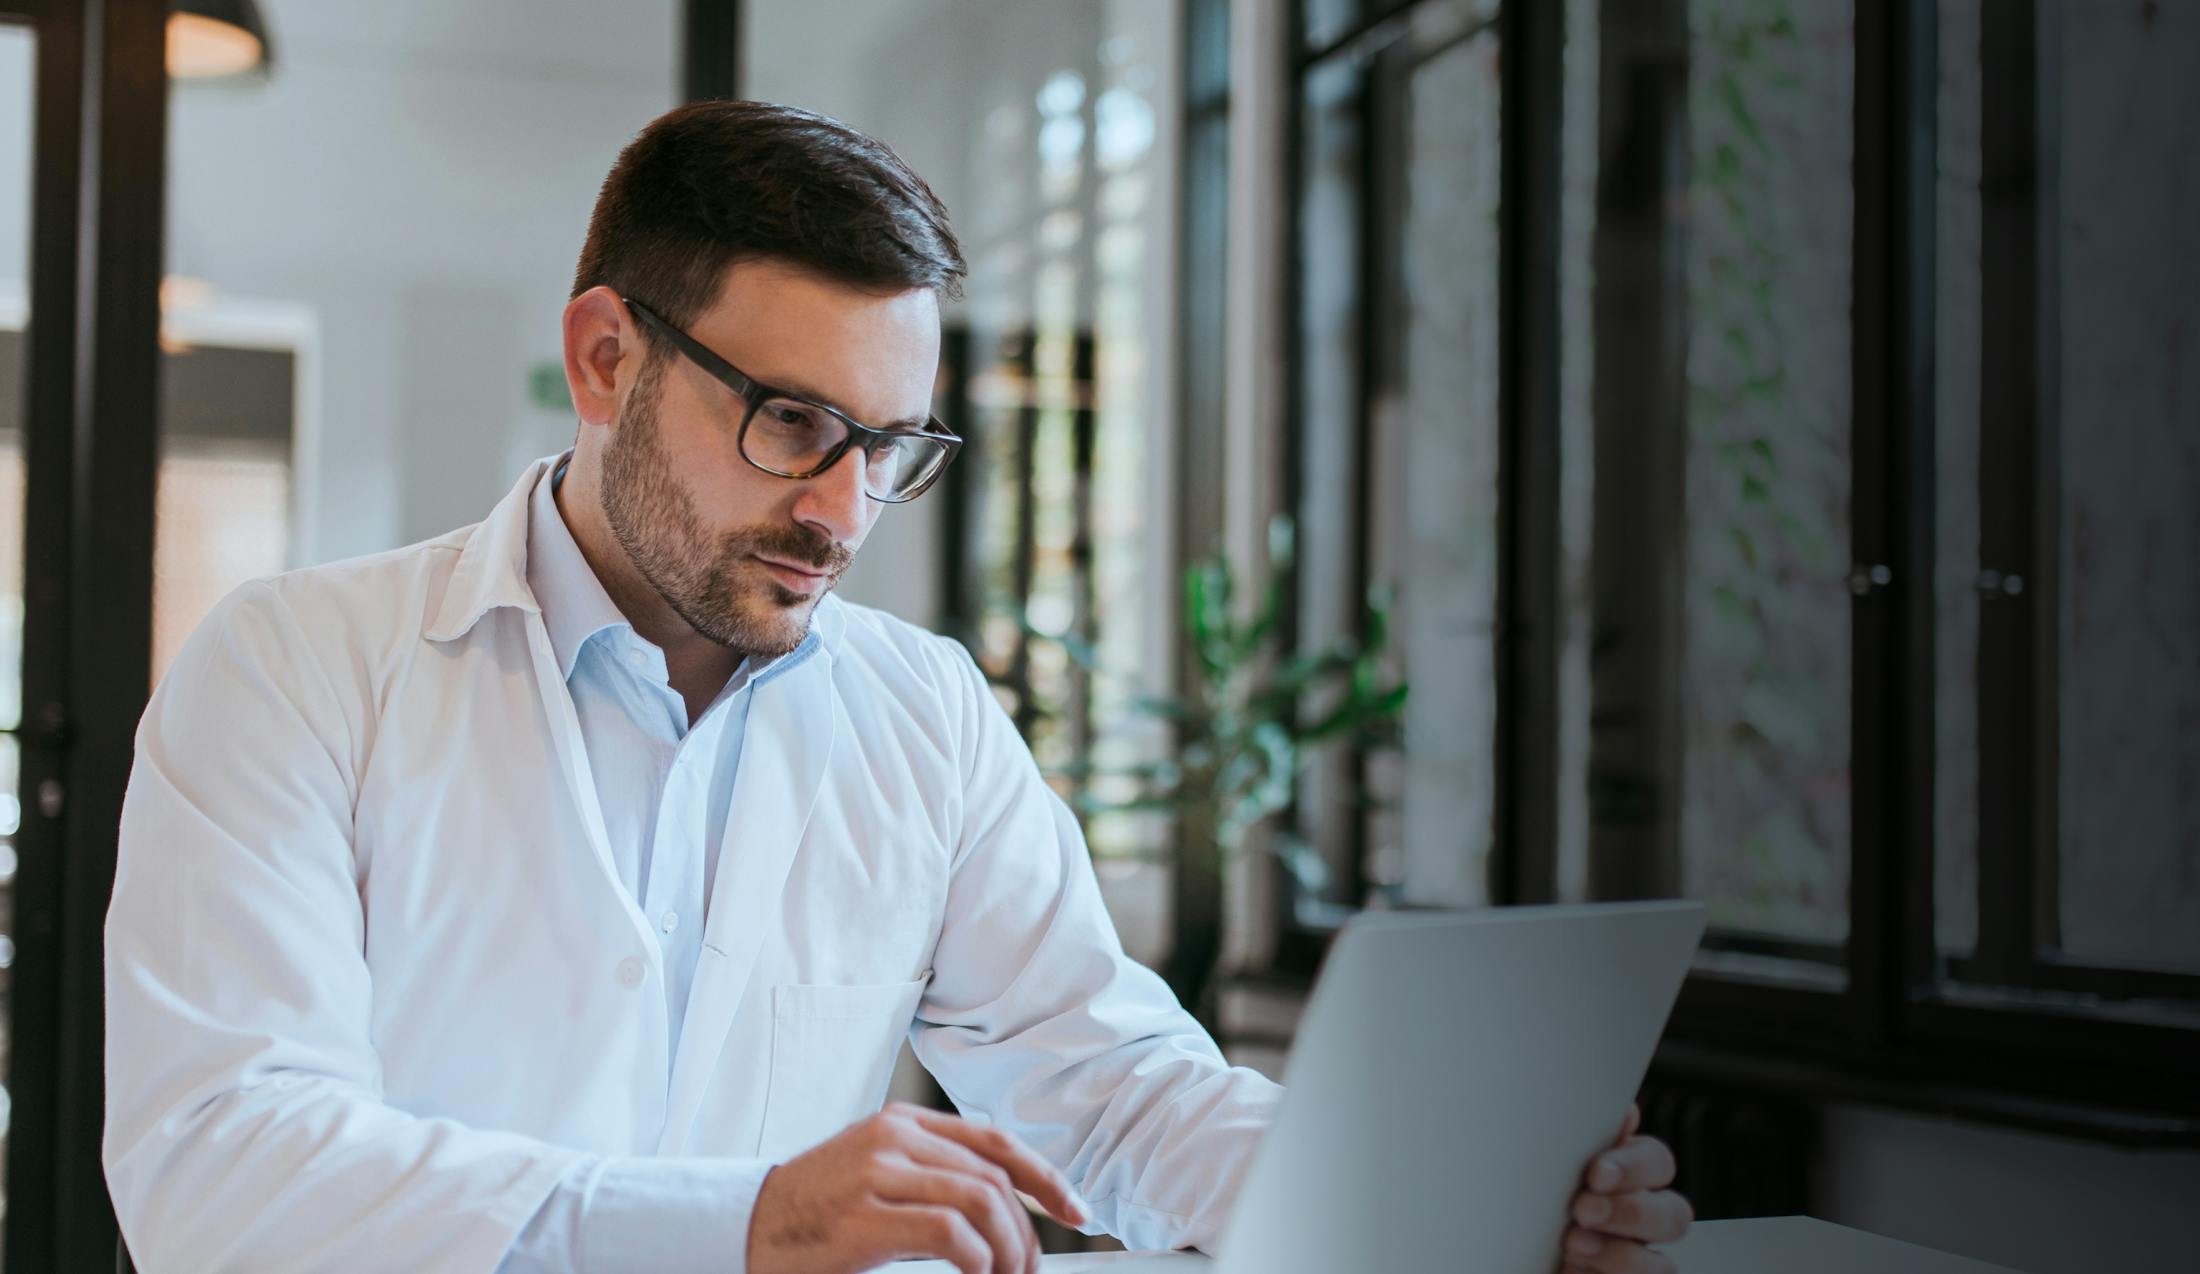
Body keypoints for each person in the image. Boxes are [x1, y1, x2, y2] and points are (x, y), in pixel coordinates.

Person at [102, 100, 1691, 1274]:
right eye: (793, 422)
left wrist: (1443, 1194)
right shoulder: (297, 670)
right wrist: (750, 1218)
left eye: (890, 447)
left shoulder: (920, 715)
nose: (843, 511)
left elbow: (1106, 1085)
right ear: (606, 359)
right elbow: (221, 1170)